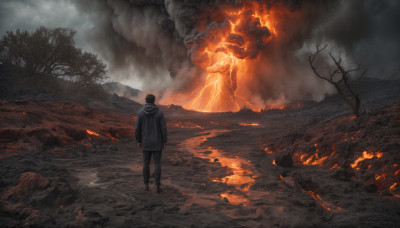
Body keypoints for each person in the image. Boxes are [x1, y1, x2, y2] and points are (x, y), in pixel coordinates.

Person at [135, 94, 167, 193]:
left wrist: (139, 141)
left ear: (146, 101)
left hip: (146, 142)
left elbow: (137, 129)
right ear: (154, 101)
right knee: (157, 163)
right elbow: (163, 128)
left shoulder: (140, 113)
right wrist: (164, 140)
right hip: (157, 142)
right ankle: (157, 186)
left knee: (146, 163)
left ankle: (146, 184)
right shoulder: (159, 113)